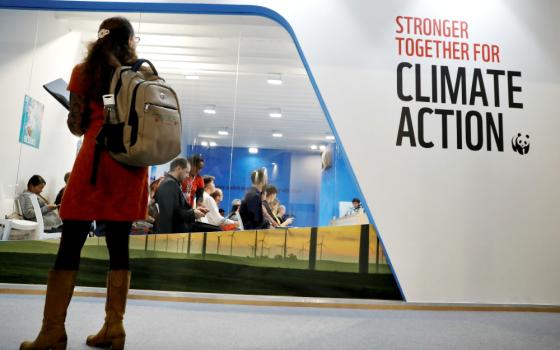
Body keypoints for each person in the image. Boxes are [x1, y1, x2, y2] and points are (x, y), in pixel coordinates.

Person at [21, 17, 149, 350]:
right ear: (131, 41)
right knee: (119, 245)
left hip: (96, 161)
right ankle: (114, 328)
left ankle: (52, 331)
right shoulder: (142, 72)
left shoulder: (84, 71)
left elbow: (77, 127)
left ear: (99, 38)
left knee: (72, 240)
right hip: (130, 166)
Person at [154, 158, 210, 233]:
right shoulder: (169, 184)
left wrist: (194, 211)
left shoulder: (172, 183)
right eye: (186, 172)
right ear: (178, 168)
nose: (187, 176)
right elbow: (173, 213)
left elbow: (177, 208)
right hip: (170, 235)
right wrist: (193, 213)